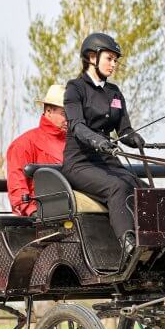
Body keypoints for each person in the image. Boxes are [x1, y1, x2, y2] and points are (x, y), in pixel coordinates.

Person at [61, 32, 146, 259]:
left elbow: (124, 131)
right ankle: (129, 245)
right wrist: (97, 140)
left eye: (115, 60)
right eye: (109, 58)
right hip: (80, 162)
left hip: (106, 160)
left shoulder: (114, 92)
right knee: (117, 186)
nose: (113, 64)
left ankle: (155, 239)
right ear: (92, 57)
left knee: (143, 188)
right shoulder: (75, 88)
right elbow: (77, 126)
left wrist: (134, 138)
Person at [5, 84, 68, 216]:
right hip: (44, 215)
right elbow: (18, 187)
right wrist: (33, 212)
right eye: (64, 114)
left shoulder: (75, 144)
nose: (68, 119)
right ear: (48, 111)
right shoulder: (23, 144)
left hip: (75, 210)